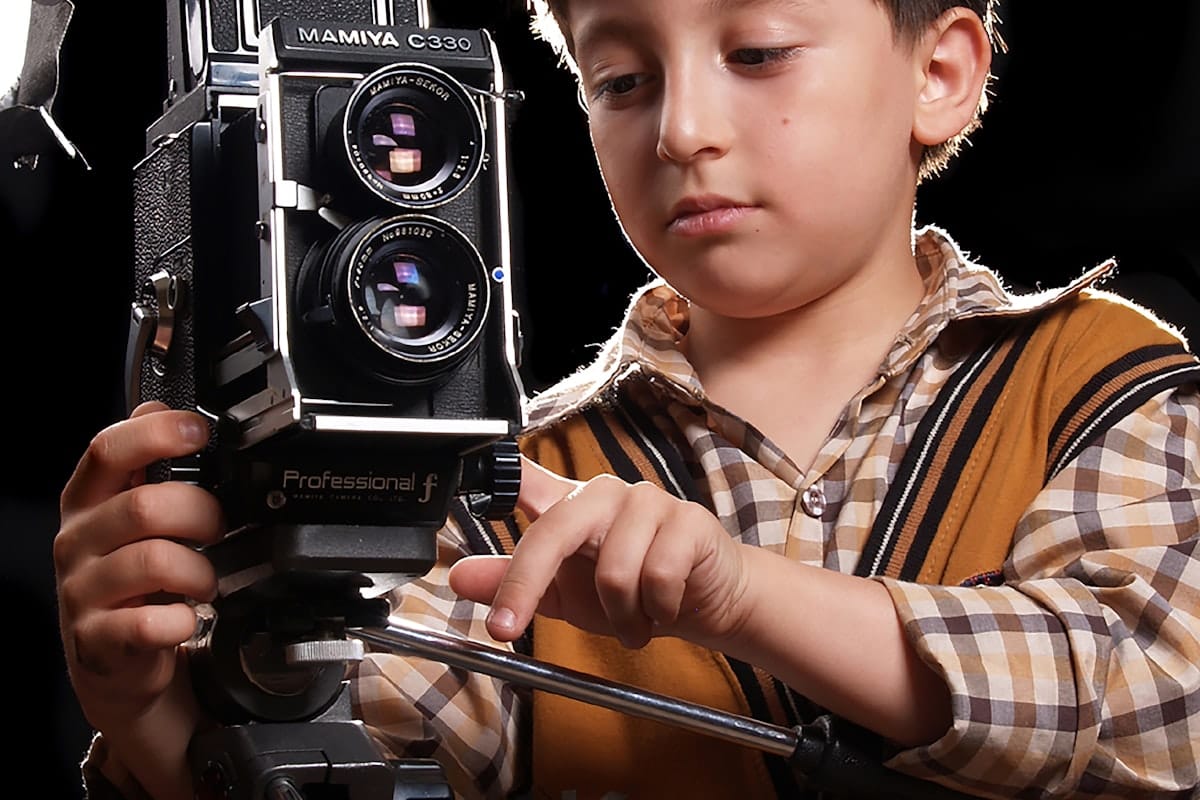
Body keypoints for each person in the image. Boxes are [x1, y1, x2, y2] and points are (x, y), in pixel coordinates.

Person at [54, 0, 1200, 798]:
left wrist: (739, 594)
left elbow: (1158, 703)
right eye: (621, 80)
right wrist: (159, 719)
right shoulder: (506, 480)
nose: (683, 129)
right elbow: (367, 748)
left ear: (940, 75)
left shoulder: (1099, 377)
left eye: (758, 52)